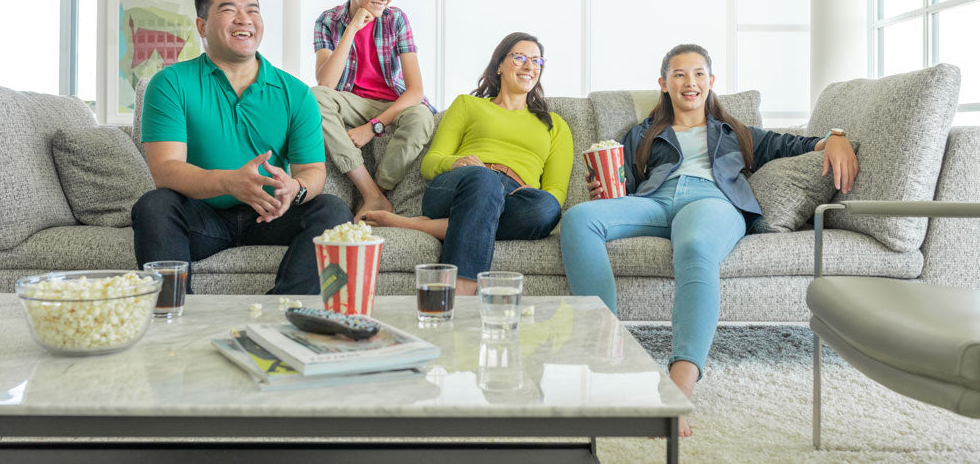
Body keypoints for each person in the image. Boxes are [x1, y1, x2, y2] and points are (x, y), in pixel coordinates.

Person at [558, 43, 858, 437]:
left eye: (698, 73)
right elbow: (623, 185)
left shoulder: (736, 132)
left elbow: (798, 144)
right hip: (655, 201)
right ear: (663, 84)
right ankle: (608, 351)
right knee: (578, 219)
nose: (690, 82)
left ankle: (679, 386)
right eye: (679, 74)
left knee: (696, 245)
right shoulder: (643, 134)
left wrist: (835, 136)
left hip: (713, 202)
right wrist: (602, 189)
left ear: (711, 82)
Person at [132, 0, 353, 295]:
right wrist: (230, 182)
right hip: (202, 217)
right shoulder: (170, 83)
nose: (244, 19)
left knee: (334, 210)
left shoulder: (295, 93)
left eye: (252, 10)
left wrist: (296, 188)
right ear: (202, 26)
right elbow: (165, 170)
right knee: (154, 205)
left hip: (270, 215)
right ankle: (174, 313)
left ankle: (280, 313)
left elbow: (312, 171)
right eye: (228, 10)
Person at [364, 32, 573, 294]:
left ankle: (414, 224)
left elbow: (555, 193)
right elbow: (431, 163)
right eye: (519, 57)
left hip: (516, 197)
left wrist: (525, 194)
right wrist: (459, 163)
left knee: (546, 208)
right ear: (499, 65)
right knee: (484, 180)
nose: (529, 66)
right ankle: (460, 297)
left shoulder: (555, 125)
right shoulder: (468, 104)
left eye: (536, 61)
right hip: (461, 185)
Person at [312, 0, 436, 220]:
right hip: (352, 102)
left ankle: (377, 192)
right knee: (314, 97)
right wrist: (352, 29)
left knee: (422, 117)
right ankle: (368, 192)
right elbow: (326, 84)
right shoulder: (327, 21)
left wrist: (373, 127)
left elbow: (416, 90)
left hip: (394, 102)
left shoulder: (396, 19)